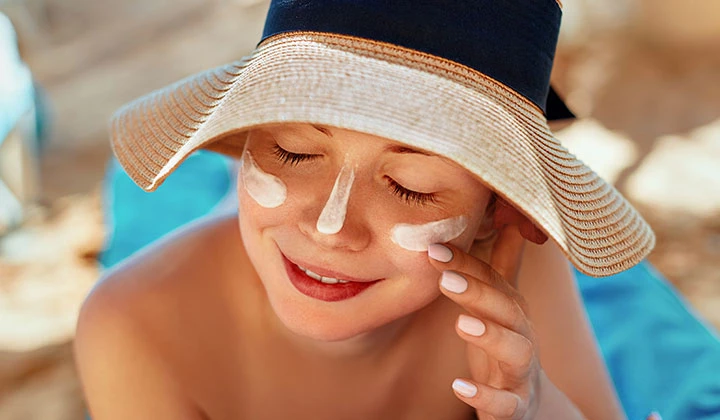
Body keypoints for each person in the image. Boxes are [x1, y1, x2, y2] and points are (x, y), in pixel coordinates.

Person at [74, 1, 659, 419]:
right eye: (293, 152)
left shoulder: (509, 274)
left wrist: (536, 406)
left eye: (410, 187)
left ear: (495, 213)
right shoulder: (133, 323)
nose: (330, 228)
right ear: (248, 139)